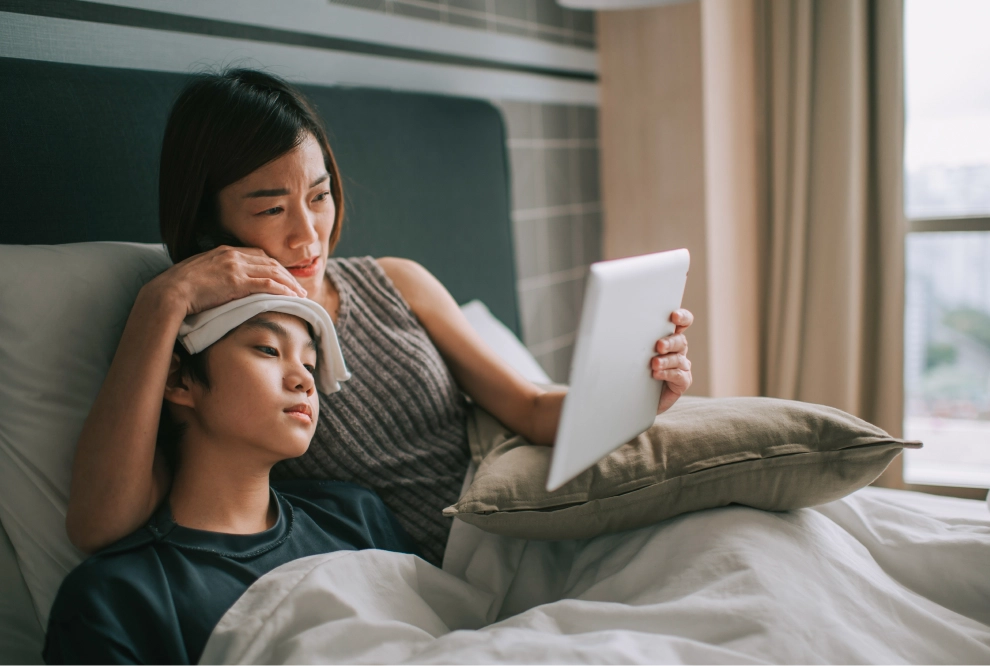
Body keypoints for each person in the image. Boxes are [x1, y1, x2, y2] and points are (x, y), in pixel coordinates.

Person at [65, 68, 695, 568]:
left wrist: (633, 389)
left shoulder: (395, 280)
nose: (309, 235)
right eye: (270, 209)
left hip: (529, 509)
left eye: (319, 196)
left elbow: (527, 407)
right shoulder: (214, 345)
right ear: (210, 223)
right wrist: (162, 301)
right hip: (432, 576)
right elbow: (99, 522)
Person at [45, 309, 421, 666]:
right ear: (179, 380)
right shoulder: (115, 597)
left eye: (309, 363)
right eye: (268, 350)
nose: (305, 380)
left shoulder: (354, 515)